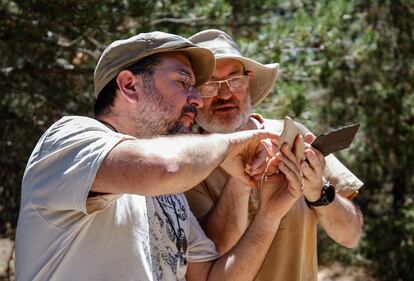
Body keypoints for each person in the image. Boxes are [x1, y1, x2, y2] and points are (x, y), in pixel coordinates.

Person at [15, 31, 304, 281]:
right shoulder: (70, 139)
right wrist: (239, 142)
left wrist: (269, 214)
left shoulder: (169, 194)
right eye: (183, 82)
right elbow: (166, 166)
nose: (197, 99)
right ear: (129, 86)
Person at [185, 29, 364, 281]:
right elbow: (212, 256)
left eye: (234, 80)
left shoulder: (291, 135)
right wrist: (242, 177)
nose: (225, 95)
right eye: (210, 86)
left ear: (248, 81)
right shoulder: (187, 162)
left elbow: (350, 235)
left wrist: (318, 192)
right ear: (192, 95)